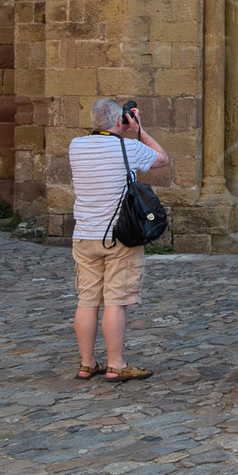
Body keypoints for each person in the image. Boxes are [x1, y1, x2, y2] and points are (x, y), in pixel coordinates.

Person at [69, 98, 168, 382]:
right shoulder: (129, 147)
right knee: (115, 301)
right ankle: (116, 364)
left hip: (84, 235)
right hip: (119, 236)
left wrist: (120, 125)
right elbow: (161, 158)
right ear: (119, 120)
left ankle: (87, 364)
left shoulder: (76, 146)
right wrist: (139, 129)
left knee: (86, 300)